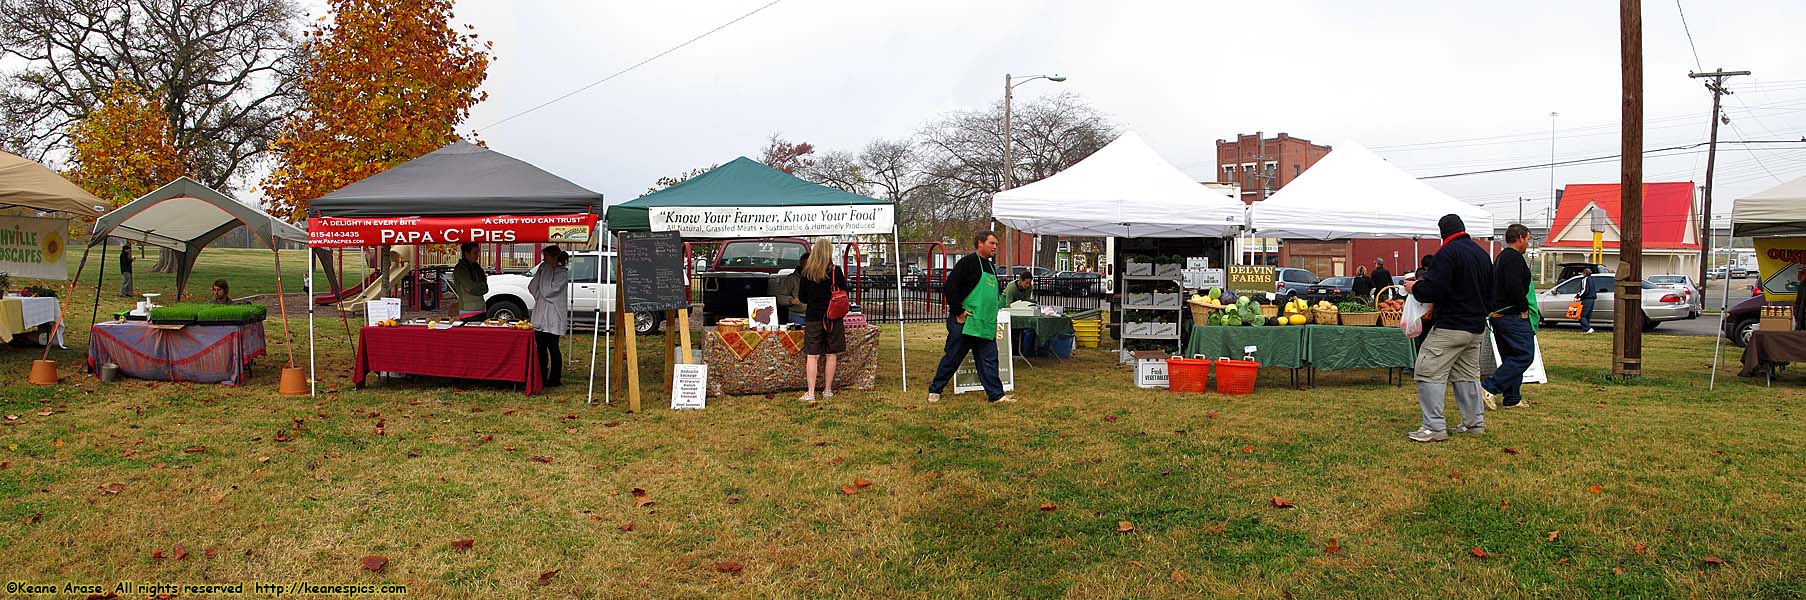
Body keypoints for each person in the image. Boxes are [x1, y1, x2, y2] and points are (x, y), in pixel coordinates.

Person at [1403, 214, 1493, 442]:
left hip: (1451, 325)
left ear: (1442, 233)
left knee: (1427, 369)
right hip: (1476, 328)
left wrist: (1416, 288)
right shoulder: (1482, 254)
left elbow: (1435, 289)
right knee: (1466, 374)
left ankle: (1433, 427)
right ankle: (1474, 424)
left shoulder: (1447, 253)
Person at [926, 232, 1015, 404]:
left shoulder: (990, 266)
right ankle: (935, 389)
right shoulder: (967, 263)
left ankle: (996, 395)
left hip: (985, 324)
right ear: (980, 243)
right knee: (953, 357)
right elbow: (950, 287)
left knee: (989, 359)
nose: (995, 247)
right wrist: (958, 311)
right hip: (965, 322)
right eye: (992, 243)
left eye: (996, 244)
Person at [1482, 224, 1536, 411]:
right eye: (1528, 239)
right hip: (1511, 314)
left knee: (1511, 356)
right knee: (1524, 354)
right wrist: (1523, 308)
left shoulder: (1501, 257)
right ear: (1520, 237)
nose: (1528, 243)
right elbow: (1514, 286)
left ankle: (1512, 398)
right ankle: (1490, 386)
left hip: (1498, 315)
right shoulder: (1514, 258)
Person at [796, 239, 848, 401]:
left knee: (813, 356)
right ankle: (827, 390)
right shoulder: (835, 272)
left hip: (813, 318)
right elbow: (845, 292)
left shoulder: (806, 273)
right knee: (831, 354)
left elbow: (802, 298)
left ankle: (811, 392)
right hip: (833, 318)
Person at [528, 246, 570, 387]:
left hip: (554, 316)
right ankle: (541, 375)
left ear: (553, 257)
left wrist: (545, 273)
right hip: (541, 314)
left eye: (545, 257)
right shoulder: (544, 269)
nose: (543, 260)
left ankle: (555, 378)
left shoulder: (561, 274)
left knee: (553, 347)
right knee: (540, 348)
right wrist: (542, 273)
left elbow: (548, 291)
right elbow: (532, 287)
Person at [452, 242, 489, 322]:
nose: (478, 255)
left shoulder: (477, 267)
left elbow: (485, 288)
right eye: (475, 253)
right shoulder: (461, 269)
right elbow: (471, 287)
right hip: (468, 312)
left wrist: (478, 287)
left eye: (478, 252)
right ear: (466, 253)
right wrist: (479, 287)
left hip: (482, 309)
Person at [775, 251, 809, 325]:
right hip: (797, 316)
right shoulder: (792, 279)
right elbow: (780, 297)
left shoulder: (818, 278)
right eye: (806, 263)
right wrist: (791, 300)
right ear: (801, 264)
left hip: (815, 316)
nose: (808, 266)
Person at [1576, 266, 1599, 334]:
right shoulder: (1592, 280)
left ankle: (1588, 329)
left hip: (1587, 299)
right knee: (1587, 315)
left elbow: (1584, 290)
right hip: (1592, 299)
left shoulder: (1585, 280)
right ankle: (1586, 329)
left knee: (1582, 315)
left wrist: (1578, 295)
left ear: (1584, 273)